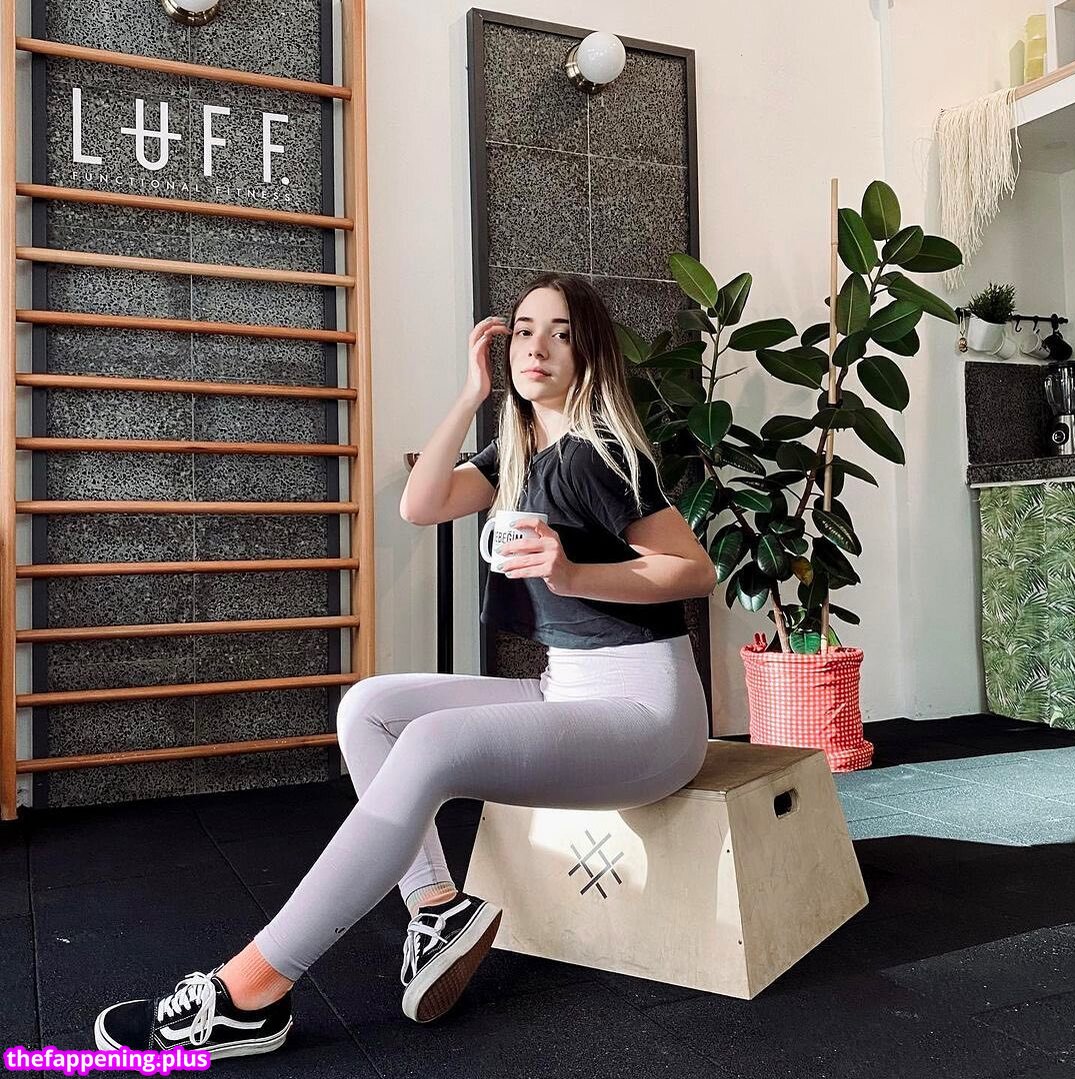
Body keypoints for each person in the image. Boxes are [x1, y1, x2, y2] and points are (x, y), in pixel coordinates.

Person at [92, 272, 716, 1059]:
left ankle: (249, 991)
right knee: (369, 708)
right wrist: (470, 395)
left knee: (428, 743)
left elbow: (694, 570)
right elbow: (420, 505)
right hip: (567, 687)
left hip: (648, 716)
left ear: (588, 350)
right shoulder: (521, 449)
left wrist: (572, 573)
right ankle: (436, 909)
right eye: (525, 330)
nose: (538, 347)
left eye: (561, 333)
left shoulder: (600, 454)